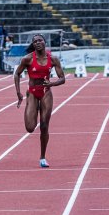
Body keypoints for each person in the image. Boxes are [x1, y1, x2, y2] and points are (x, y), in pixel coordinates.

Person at [13, 34, 66, 167]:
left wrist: (52, 84)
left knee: (44, 126)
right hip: (32, 92)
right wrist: (18, 93)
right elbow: (17, 74)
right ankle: (32, 107)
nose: (38, 43)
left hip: (46, 92)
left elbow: (62, 78)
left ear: (44, 42)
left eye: (40, 40)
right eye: (35, 41)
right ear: (33, 44)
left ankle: (42, 157)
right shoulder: (28, 59)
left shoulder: (53, 59)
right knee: (30, 128)